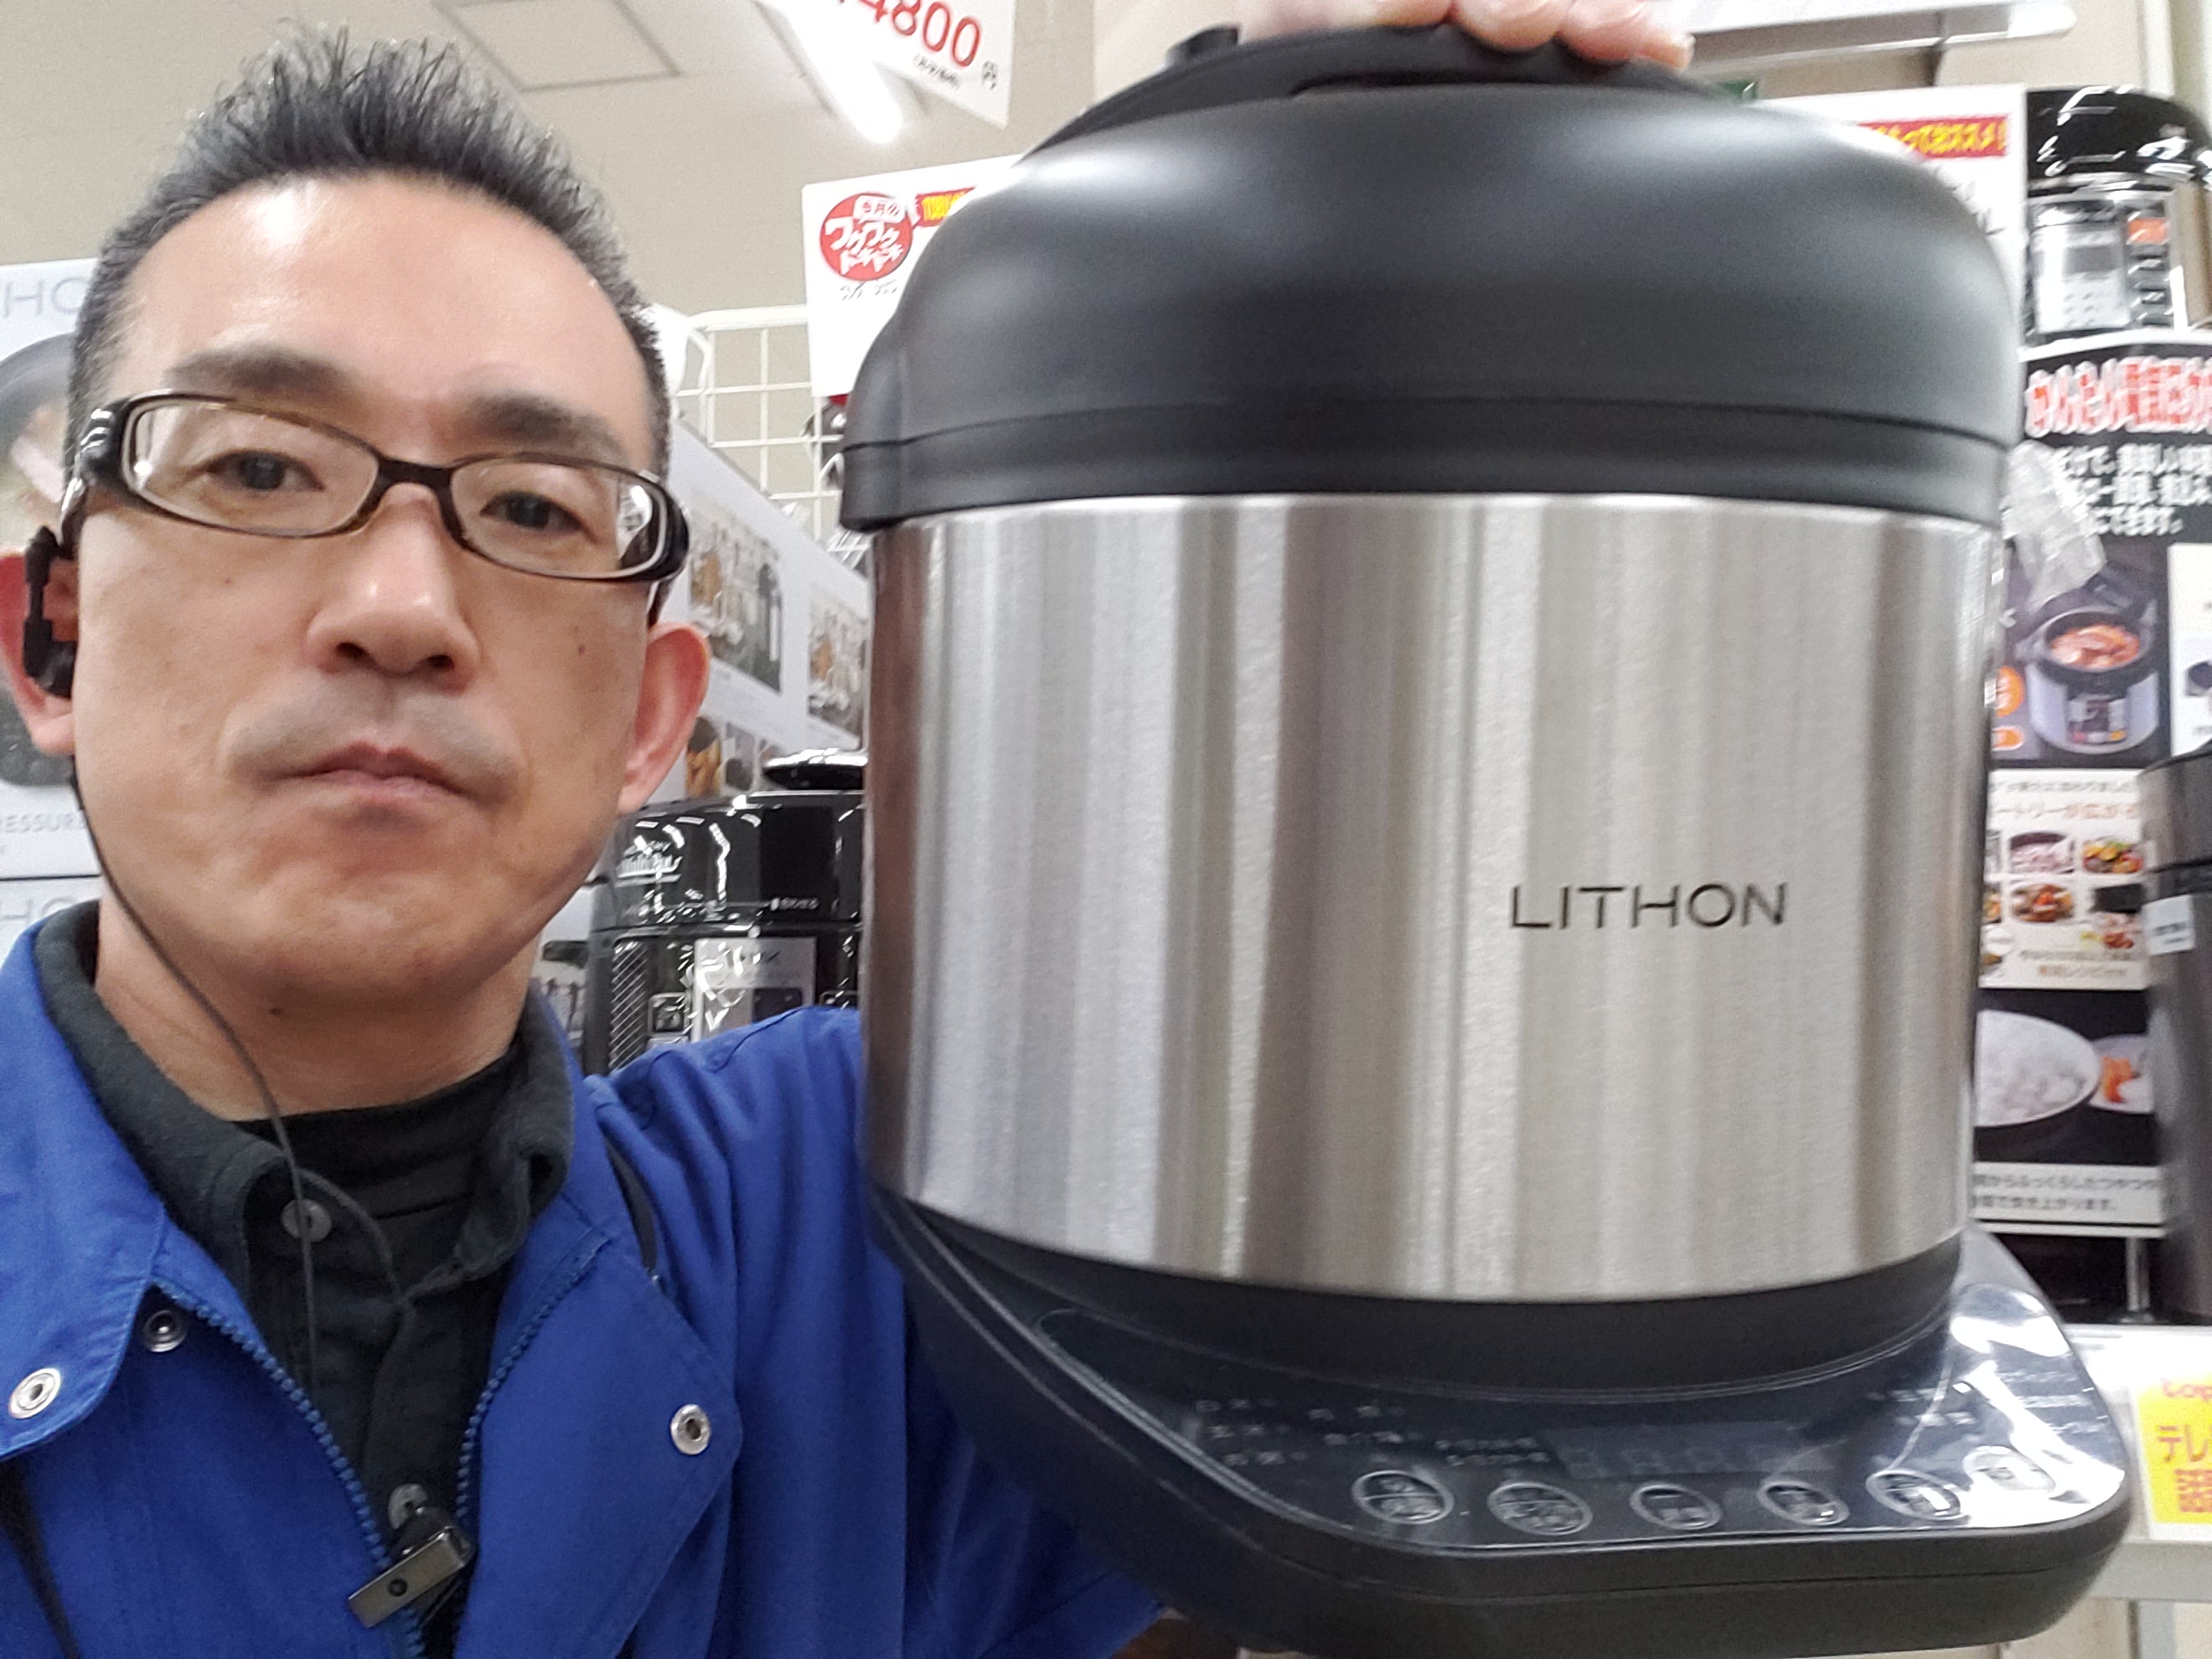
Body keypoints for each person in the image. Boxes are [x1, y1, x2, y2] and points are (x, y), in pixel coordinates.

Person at [0, 1, 1687, 1654]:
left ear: (652, 721)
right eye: (258, 471)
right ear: (48, 636)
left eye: (529, 505)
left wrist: (1393, 240)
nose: (400, 608)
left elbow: (1412, 1045)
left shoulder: (872, 1210)